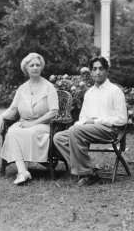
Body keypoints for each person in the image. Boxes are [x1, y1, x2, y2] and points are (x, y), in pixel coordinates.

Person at [53, 56, 127, 186]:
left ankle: (85, 173)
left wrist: (97, 121)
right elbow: (83, 118)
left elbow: (122, 119)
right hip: (87, 130)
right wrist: (78, 125)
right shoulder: (89, 93)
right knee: (59, 137)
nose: (97, 72)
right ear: (91, 72)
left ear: (107, 71)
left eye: (101, 69)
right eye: (94, 69)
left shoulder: (115, 91)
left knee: (75, 131)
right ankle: (89, 171)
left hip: (110, 130)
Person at [0, 53, 59, 185]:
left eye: (38, 65)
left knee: (28, 132)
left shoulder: (49, 87)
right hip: (24, 123)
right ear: (26, 69)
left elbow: (53, 112)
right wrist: (2, 116)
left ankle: (22, 172)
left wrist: (34, 123)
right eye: (32, 65)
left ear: (41, 67)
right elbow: (13, 109)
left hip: (43, 125)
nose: (35, 67)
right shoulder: (22, 88)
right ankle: (22, 171)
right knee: (12, 131)